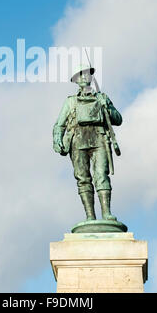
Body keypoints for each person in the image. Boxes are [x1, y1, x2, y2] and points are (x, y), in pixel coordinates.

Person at [53, 65, 122, 221]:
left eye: (87, 74)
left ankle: (106, 213)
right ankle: (90, 216)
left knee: (101, 175)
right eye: (81, 75)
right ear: (76, 80)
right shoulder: (70, 102)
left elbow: (118, 119)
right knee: (83, 178)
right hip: (77, 141)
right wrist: (57, 138)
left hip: (99, 139)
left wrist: (109, 110)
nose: (85, 77)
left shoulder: (102, 97)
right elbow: (59, 124)